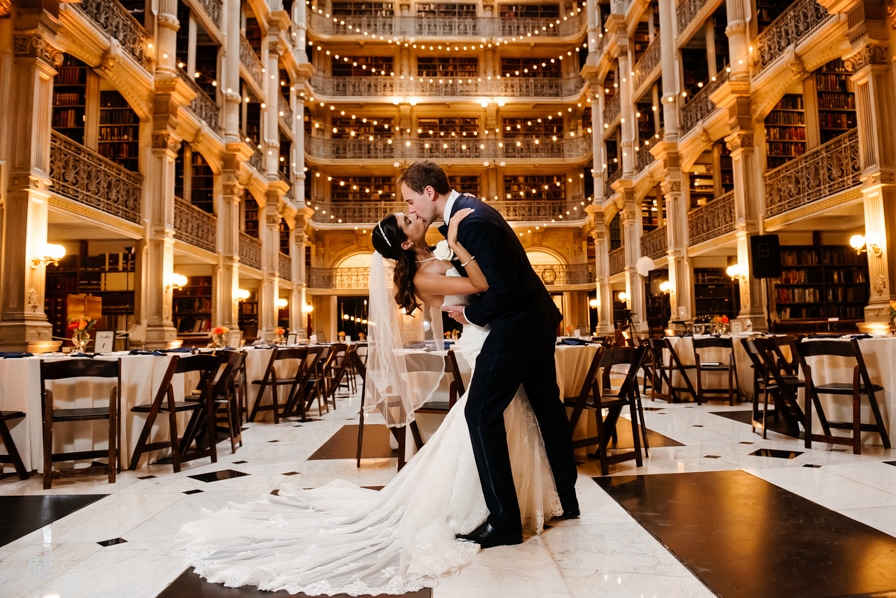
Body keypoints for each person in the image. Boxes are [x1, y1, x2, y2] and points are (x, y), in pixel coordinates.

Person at [179, 208, 564, 596]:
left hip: (492, 336)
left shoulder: (434, 260)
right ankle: (494, 509)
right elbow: (482, 283)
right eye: (408, 217)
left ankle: (507, 504)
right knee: (483, 421)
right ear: (406, 242)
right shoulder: (426, 273)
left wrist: (453, 251)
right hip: (489, 339)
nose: (414, 213)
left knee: (490, 420)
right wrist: (459, 244)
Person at [397, 159, 580, 549]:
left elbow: (504, 290)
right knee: (547, 407)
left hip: (516, 325)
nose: (411, 209)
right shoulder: (470, 215)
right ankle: (568, 499)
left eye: (411, 200)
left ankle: (505, 522)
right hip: (533, 322)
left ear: (429, 192)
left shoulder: (473, 220)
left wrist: (470, 313)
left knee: (480, 412)